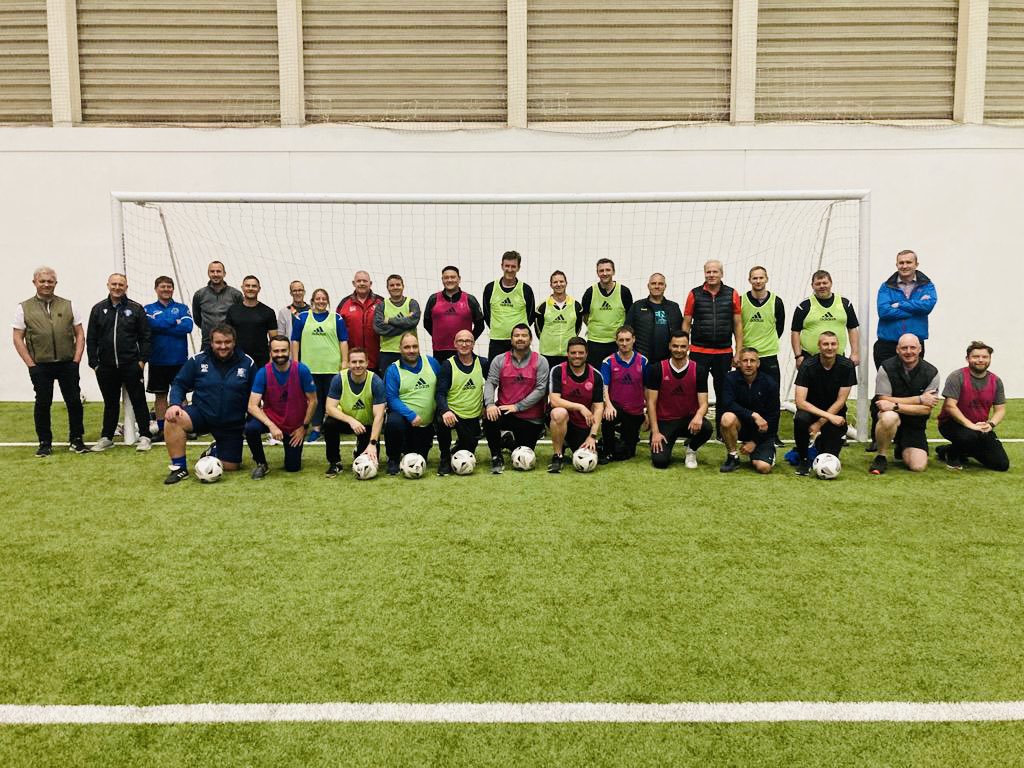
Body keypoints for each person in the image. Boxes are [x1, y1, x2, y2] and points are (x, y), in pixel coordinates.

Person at [162, 324, 255, 484]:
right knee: (173, 418)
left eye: (227, 342)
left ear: (234, 342)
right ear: (211, 343)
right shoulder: (197, 361)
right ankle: (179, 468)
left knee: (231, 467)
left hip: (231, 423)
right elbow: (179, 384)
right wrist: (175, 404)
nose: (223, 346)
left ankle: (214, 450)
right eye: (218, 342)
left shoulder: (247, 363)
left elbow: (256, 392)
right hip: (201, 414)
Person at [13, 266, 87, 456]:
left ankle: (77, 439)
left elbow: (79, 334)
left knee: (74, 402)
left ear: (55, 283)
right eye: (42, 281)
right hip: (40, 366)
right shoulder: (23, 307)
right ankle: (45, 442)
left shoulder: (69, 305)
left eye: (50, 281)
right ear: (35, 283)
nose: (46, 284)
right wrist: (31, 364)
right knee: (43, 403)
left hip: (67, 364)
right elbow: (17, 338)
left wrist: (76, 360)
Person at [868, 250, 937, 451]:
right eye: (901, 262)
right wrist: (914, 306)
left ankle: (906, 436)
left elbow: (928, 306)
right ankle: (878, 434)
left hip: (915, 344)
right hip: (887, 345)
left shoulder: (927, 285)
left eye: (908, 262)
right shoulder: (886, 286)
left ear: (916, 264)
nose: (904, 266)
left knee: (913, 388)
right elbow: (884, 311)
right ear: (896, 264)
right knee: (883, 390)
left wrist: (900, 304)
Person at [86, 273, 152, 453]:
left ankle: (145, 436)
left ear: (126, 287)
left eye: (120, 285)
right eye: (114, 284)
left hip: (131, 365)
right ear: (108, 285)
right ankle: (107, 437)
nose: (117, 287)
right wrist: (95, 363)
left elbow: (145, 337)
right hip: (106, 367)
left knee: (139, 401)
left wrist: (142, 361)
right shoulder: (98, 309)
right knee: (110, 402)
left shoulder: (136, 309)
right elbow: (91, 338)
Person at [683, 260, 742, 435]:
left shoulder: (732, 294)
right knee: (694, 392)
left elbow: (738, 324)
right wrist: (685, 349)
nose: (711, 275)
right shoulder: (694, 294)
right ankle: (693, 429)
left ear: (721, 273)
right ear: (704, 274)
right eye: (708, 272)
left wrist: (738, 351)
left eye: (715, 272)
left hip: (724, 352)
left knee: (724, 392)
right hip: (698, 351)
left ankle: (722, 431)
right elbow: (686, 322)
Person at [245, 335, 317, 479]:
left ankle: (291, 452)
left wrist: (303, 427)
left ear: (289, 351)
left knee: (293, 468)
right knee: (251, 428)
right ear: (270, 353)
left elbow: (313, 401)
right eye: (276, 351)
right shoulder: (263, 373)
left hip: (294, 425)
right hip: (272, 419)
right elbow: (252, 406)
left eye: (283, 351)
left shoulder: (302, 370)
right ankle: (261, 463)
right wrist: (271, 426)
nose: (280, 354)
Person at [483, 323, 549, 474]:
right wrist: (490, 404)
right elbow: (490, 383)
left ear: (530, 339)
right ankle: (496, 456)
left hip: (531, 417)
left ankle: (508, 440)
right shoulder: (499, 360)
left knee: (522, 452)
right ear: (511, 339)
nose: (520, 339)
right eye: (517, 336)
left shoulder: (541, 361)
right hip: (506, 412)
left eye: (524, 335)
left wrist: (518, 406)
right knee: (489, 417)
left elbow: (540, 390)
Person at [870, 333, 939, 475]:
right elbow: (883, 400)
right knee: (889, 417)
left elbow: (926, 410)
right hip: (893, 417)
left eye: (913, 347)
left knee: (918, 466)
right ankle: (881, 456)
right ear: (897, 349)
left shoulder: (932, 372)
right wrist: (919, 399)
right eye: (904, 348)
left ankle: (901, 447)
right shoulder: (886, 368)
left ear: (920, 349)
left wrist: (896, 405)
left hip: (915, 423)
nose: (909, 352)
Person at [936, 341, 1009, 472]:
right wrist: (970, 425)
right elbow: (950, 406)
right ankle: (953, 454)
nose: (980, 360)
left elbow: (1000, 409)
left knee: (1001, 464)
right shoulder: (957, 377)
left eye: (985, 357)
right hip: (952, 423)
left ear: (990, 359)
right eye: (976, 357)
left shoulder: (996, 381)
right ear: (968, 359)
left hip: (979, 426)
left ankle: (946, 450)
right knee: (969, 437)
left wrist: (990, 425)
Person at [644, 330, 712, 470]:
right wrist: (656, 432)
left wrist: (698, 416)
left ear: (689, 347)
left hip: (688, 421)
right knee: (660, 462)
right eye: (675, 346)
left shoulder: (698, 370)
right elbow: (651, 402)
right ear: (669, 346)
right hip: (665, 422)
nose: (679, 350)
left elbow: (704, 403)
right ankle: (660, 441)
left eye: (682, 346)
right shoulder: (657, 369)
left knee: (706, 427)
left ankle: (691, 450)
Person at [792, 331, 856, 476]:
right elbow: (800, 402)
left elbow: (841, 401)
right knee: (800, 419)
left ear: (838, 346)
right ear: (819, 346)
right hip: (810, 412)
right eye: (825, 344)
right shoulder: (807, 366)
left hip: (835, 413)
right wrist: (825, 418)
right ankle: (803, 459)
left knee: (829, 455)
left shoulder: (847, 366)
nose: (829, 347)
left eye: (833, 344)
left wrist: (820, 424)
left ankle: (819, 443)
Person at [291, 288, 349, 442]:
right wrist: (296, 361)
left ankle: (331, 426)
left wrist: (344, 361)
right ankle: (316, 428)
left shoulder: (336, 318)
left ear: (328, 301)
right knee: (313, 399)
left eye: (324, 299)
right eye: (318, 298)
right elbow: (295, 340)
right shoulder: (301, 317)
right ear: (312, 301)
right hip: (310, 367)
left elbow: (343, 341)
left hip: (332, 366)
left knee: (332, 399)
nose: (321, 301)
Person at [383, 332, 442, 475]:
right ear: (400, 349)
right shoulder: (393, 370)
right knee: (393, 421)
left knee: (418, 458)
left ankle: (444, 455)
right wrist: (410, 415)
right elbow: (391, 399)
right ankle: (393, 459)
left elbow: (441, 389)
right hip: (406, 421)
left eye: (414, 346)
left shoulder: (432, 363)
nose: (411, 350)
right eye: (407, 347)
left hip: (426, 424)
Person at [322, 347, 386, 477]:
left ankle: (359, 449)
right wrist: (351, 421)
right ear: (349, 364)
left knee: (369, 461)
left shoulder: (376, 381)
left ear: (367, 363)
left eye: (361, 362)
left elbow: (379, 415)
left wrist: (372, 443)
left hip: (367, 425)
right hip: (347, 421)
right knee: (329, 423)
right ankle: (335, 462)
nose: (357, 365)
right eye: (354, 362)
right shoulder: (339, 379)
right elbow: (329, 408)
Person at [144, 276, 194, 440]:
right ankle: (161, 429)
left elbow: (187, 326)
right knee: (160, 396)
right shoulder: (148, 309)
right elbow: (152, 325)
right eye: (162, 287)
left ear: (173, 289)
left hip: (179, 359)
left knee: (181, 396)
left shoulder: (182, 307)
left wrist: (163, 324)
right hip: (157, 360)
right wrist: (174, 322)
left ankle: (185, 427)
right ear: (156, 289)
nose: (166, 289)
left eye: (169, 287)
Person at [435, 329, 488, 476]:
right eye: (460, 341)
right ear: (455, 344)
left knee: (468, 449)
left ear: (473, 344)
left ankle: (457, 448)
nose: (464, 344)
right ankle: (445, 458)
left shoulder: (483, 363)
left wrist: (487, 405)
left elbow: (492, 385)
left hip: (472, 416)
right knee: (441, 421)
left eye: (468, 341)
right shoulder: (448, 365)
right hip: (453, 413)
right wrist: (445, 410)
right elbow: (440, 393)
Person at [718, 347, 780, 474]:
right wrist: (753, 415)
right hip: (741, 426)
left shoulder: (770, 383)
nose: (748, 364)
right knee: (727, 418)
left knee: (763, 468)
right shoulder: (730, 379)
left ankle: (763, 452)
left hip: (762, 430)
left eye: (752, 361)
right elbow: (727, 404)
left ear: (758, 363)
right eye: (745, 360)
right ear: (739, 363)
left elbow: (774, 416)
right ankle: (733, 457)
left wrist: (754, 442)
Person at [548, 338, 605, 473]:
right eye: (573, 353)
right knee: (559, 412)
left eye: (581, 353)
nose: (577, 356)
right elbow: (554, 401)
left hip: (582, 424)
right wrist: (580, 407)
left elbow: (599, 408)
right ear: (567, 353)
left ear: (586, 354)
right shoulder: (557, 371)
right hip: (563, 419)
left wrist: (592, 436)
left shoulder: (596, 375)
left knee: (587, 459)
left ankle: (571, 443)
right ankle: (558, 455)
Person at [791, 269, 861, 366]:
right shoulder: (803, 306)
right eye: (818, 283)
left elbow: (852, 329)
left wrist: (855, 353)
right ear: (812, 285)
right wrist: (798, 356)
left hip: (838, 358)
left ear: (831, 283)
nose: (822, 286)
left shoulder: (845, 303)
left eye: (825, 283)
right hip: (810, 359)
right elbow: (795, 332)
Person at [600, 325, 648, 463]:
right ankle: (607, 450)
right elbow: (604, 387)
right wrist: (608, 406)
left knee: (627, 454)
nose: (624, 343)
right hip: (616, 409)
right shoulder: (608, 362)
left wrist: (648, 413)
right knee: (608, 417)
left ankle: (619, 438)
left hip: (635, 412)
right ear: (616, 341)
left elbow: (647, 389)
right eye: (621, 340)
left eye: (627, 339)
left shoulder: (643, 361)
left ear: (634, 339)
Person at [423, 265, 484, 362]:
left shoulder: (470, 300)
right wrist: (439, 337)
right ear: (442, 279)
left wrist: (467, 341)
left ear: (459, 279)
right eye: (446, 277)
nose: (449, 280)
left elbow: (480, 325)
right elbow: (427, 323)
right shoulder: (433, 299)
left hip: (463, 352)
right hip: (440, 351)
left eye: (453, 277)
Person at [483, 250, 536, 361]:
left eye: (513, 266)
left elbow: (530, 316)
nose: (510, 269)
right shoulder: (490, 288)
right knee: (495, 375)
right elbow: (487, 314)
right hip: (497, 341)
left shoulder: (525, 289)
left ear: (518, 268)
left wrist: (519, 333)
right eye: (507, 266)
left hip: (519, 342)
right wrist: (499, 328)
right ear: (502, 266)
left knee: (521, 375)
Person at [581, 258, 633, 368]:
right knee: (596, 377)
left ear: (613, 272)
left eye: (608, 270)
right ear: (597, 273)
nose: (604, 273)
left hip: (616, 343)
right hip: (595, 342)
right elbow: (585, 316)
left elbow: (629, 316)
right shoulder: (590, 292)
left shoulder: (624, 292)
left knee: (616, 377)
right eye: (601, 271)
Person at [740, 266, 786, 386]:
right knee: (743, 392)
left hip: (768, 354)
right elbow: (735, 327)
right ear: (749, 280)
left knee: (772, 391)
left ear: (767, 279)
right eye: (755, 278)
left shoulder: (776, 301)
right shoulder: (741, 301)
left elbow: (780, 327)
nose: (758, 281)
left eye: (761, 278)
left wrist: (768, 341)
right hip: (747, 354)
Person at [624, 272, 682, 364]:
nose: (657, 286)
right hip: (642, 359)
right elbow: (627, 331)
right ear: (648, 286)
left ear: (665, 286)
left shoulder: (674, 307)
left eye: (660, 284)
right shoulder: (637, 306)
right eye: (653, 283)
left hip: (668, 360)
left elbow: (680, 332)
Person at [225, 275, 277, 369]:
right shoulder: (233, 310)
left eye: (254, 286)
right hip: (237, 360)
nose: (250, 288)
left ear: (259, 289)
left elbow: (274, 339)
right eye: (247, 286)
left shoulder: (268, 312)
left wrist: (271, 361)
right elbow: (227, 336)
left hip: (261, 362)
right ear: (242, 288)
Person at [336, 271, 384, 372]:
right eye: (359, 281)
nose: (362, 283)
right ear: (354, 283)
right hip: (353, 362)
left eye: (365, 281)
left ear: (370, 284)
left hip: (377, 360)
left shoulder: (381, 302)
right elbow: (337, 332)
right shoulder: (344, 303)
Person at [535, 269, 583, 369]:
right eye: (555, 282)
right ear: (551, 285)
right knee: (549, 383)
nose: (558, 284)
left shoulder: (576, 306)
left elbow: (577, 328)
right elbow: (538, 329)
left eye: (561, 281)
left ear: (566, 283)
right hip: (547, 353)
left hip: (569, 354)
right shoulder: (542, 307)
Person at [374, 274, 421, 373]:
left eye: (398, 284)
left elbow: (413, 321)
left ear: (403, 286)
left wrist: (389, 320)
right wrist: (406, 324)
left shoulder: (412, 303)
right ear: (387, 288)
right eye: (392, 285)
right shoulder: (381, 306)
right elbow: (379, 329)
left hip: (410, 351)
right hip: (388, 352)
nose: (395, 287)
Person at [191, 260, 242, 348]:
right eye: (212, 271)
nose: (215, 274)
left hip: (228, 344)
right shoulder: (199, 295)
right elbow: (198, 319)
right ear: (208, 273)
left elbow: (241, 318)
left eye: (218, 271)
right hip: (207, 343)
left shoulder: (235, 295)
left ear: (224, 273)